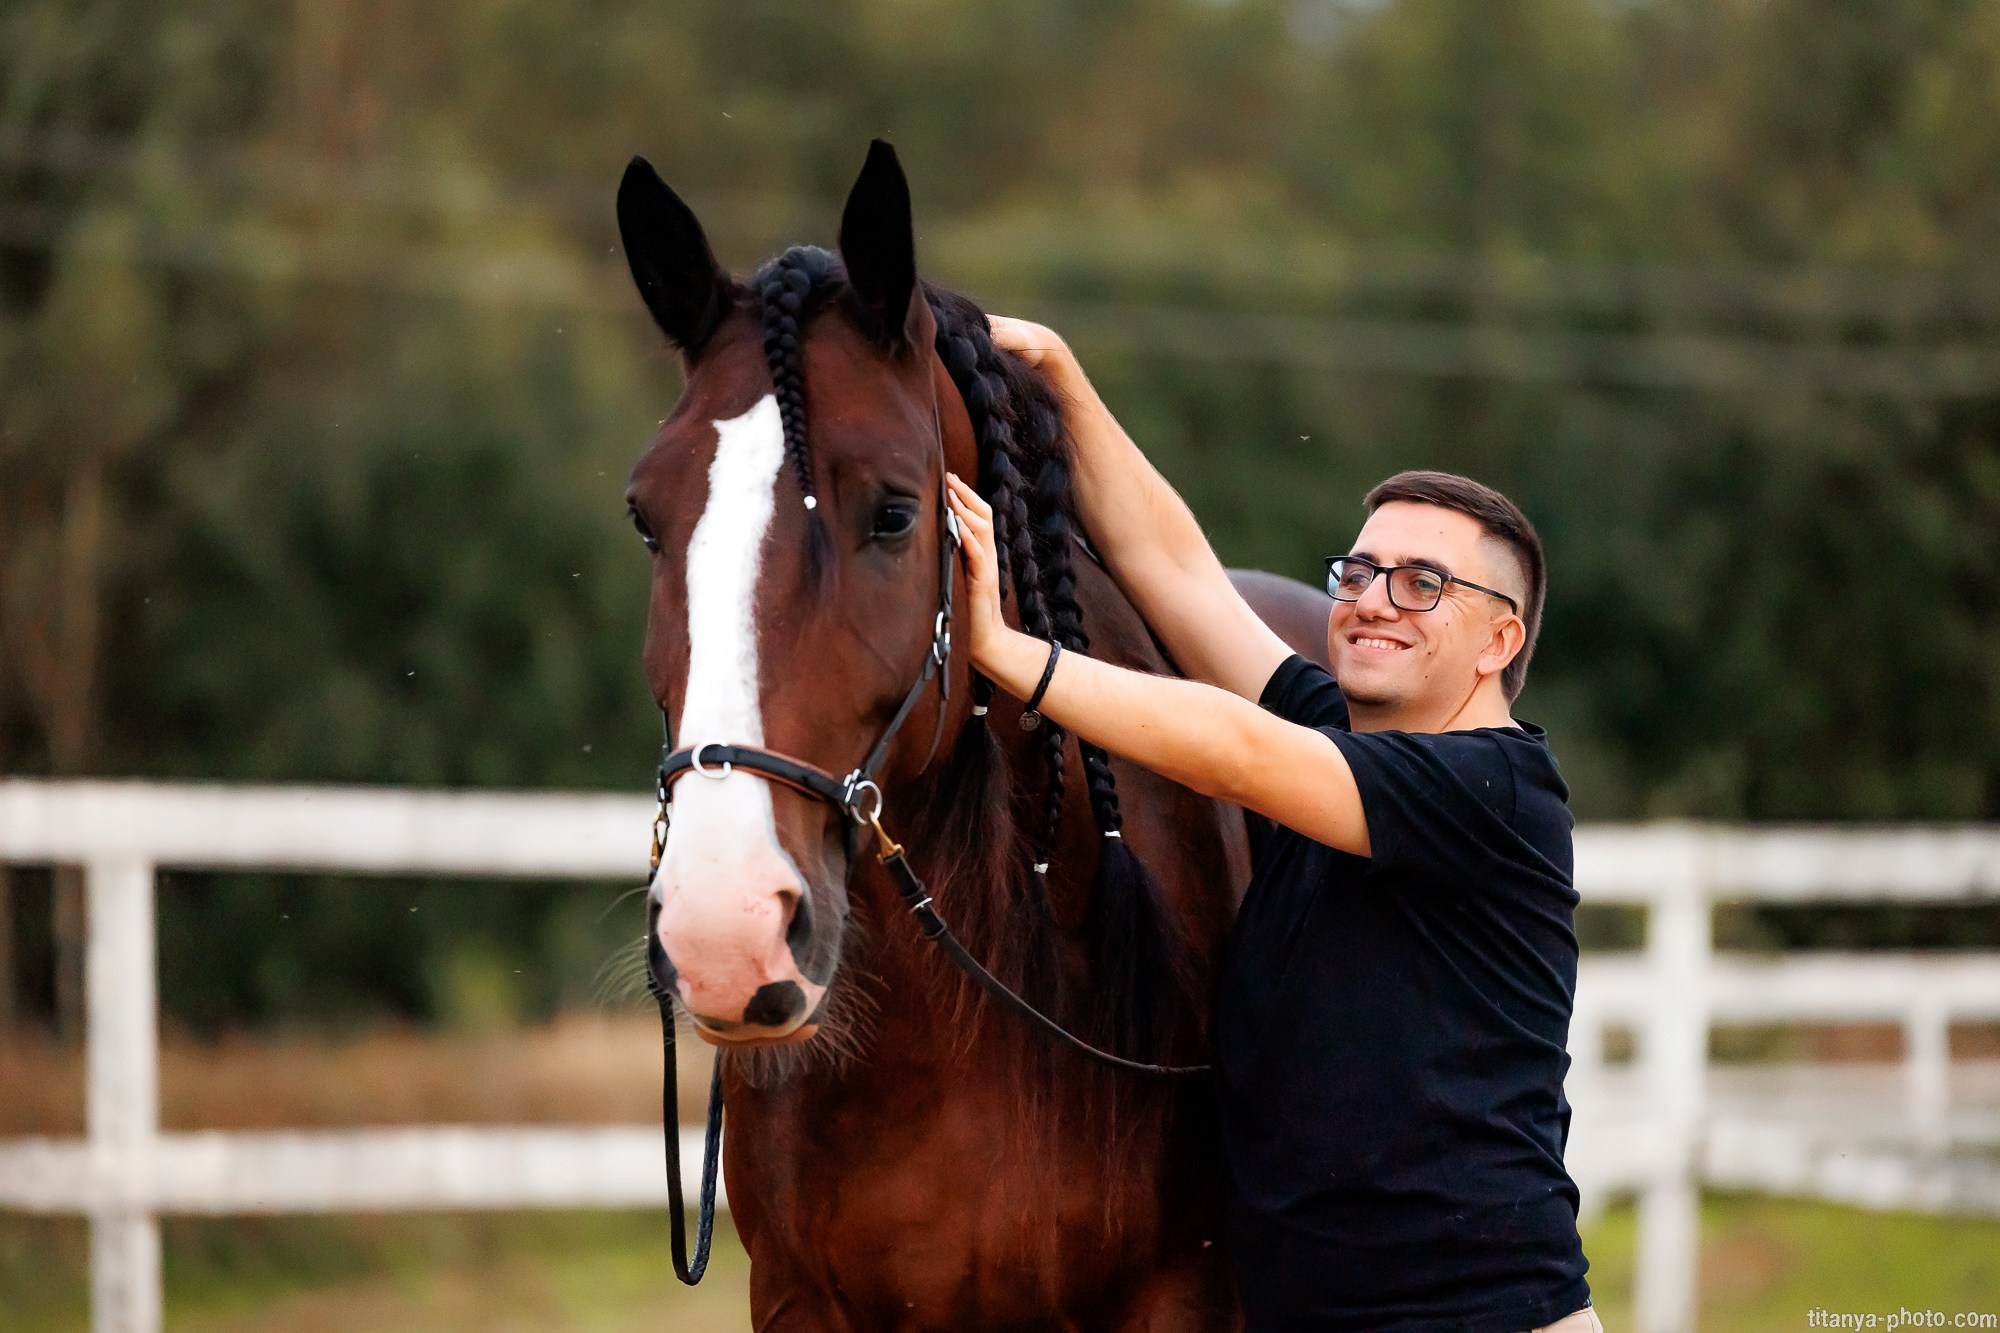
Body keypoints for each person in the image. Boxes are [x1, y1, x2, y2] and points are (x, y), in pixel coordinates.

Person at [941, 317, 1599, 1333]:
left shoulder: (1493, 786)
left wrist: (1007, 651)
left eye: (1422, 583)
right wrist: (1062, 376)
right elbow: (1174, 570)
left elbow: (1236, 749)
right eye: (1358, 572)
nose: (1373, 600)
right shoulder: (1337, 737)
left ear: (1498, 640)